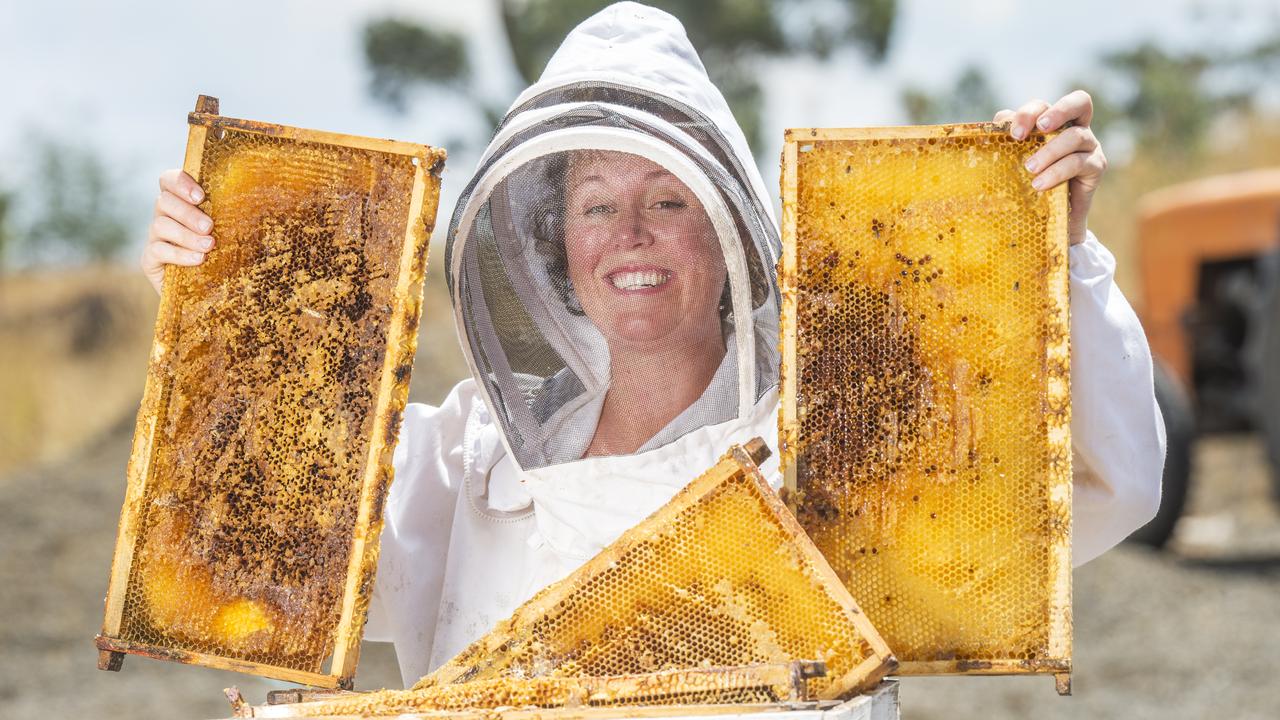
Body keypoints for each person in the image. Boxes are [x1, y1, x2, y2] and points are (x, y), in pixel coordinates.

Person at [141, 2, 1164, 688]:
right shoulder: (466, 462)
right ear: (553, 238)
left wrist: (1050, 260)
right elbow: (263, 541)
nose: (626, 233)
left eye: (665, 199)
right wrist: (214, 308)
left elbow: (1107, 484)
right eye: (594, 203)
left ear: (727, 233)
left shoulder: (834, 448)